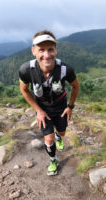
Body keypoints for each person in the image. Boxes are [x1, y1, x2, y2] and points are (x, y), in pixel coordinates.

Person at [19, 30, 80, 176]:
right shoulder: (26, 70)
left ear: (56, 50)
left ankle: (59, 136)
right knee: (49, 138)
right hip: (43, 108)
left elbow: (76, 86)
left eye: (50, 49)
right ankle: (53, 160)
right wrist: (39, 111)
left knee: (62, 132)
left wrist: (70, 106)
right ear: (33, 51)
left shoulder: (66, 69)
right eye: (41, 50)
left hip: (61, 107)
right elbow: (25, 90)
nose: (46, 55)